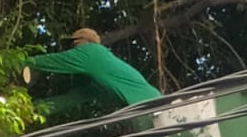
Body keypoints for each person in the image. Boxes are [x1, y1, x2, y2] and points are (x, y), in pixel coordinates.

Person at [24, 28, 161, 116]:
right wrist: (32, 111)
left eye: (73, 44)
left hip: (155, 105)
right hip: (149, 107)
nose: (71, 49)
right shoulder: (97, 81)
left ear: (85, 41)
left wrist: (19, 62)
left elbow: (54, 61)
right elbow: (70, 99)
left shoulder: (91, 52)